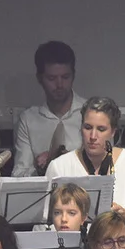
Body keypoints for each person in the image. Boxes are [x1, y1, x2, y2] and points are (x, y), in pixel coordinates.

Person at [46, 97, 125, 249]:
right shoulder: (59, 166)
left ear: (113, 132)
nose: (93, 136)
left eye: (101, 129)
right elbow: (45, 223)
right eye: (87, 127)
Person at [12, 41, 85, 177]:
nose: (59, 84)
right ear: (40, 78)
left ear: (73, 75)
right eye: (52, 78)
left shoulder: (91, 114)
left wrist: (74, 162)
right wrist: (39, 171)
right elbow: (18, 174)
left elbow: (106, 169)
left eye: (65, 77)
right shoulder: (29, 120)